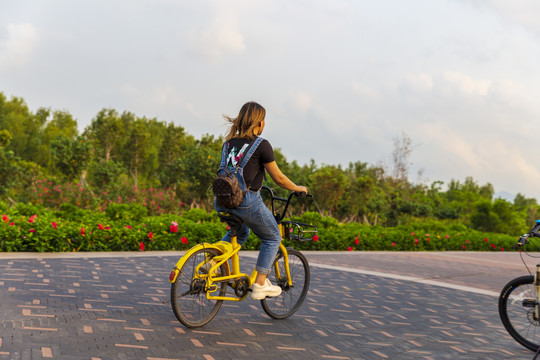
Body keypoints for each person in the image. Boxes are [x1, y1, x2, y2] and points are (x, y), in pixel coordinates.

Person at [215, 101, 308, 300]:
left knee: (241, 233)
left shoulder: (228, 143)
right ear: (259, 122)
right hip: (245, 203)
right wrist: (298, 188)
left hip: (222, 201)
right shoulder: (261, 145)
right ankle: (260, 284)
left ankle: (211, 260)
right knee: (272, 236)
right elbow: (279, 179)